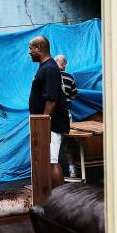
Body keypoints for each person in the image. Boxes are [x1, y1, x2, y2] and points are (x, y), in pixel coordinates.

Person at [28, 36, 70, 187]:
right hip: (46, 123)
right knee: (46, 161)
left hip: (51, 124)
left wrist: (43, 125)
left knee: (52, 162)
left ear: (39, 48)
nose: (29, 52)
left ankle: (60, 200)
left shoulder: (50, 68)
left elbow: (52, 99)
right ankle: (49, 196)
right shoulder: (45, 67)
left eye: (31, 48)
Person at [55, 54, 80, 179]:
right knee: (69, 141)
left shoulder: (50, 75)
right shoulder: (70, 77)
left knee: (52, 144)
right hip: (66, 114)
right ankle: (72, 170)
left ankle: (52, 173)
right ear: (64, 64)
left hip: (52, 115)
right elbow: (75, 95)